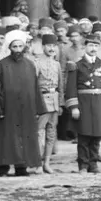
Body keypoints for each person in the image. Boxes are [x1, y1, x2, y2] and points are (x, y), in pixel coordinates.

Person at [0, 30, 43, 176]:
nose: (18, 50)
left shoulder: (30, 65)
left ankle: (21, 167)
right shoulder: (2, 65)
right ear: (10, 48)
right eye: (15, 47)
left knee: (24, 137)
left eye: (20, 46)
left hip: (26, 109)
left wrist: (37, 108)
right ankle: (3, 168)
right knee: (6, 138)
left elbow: (35, 87)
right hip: (8, 108)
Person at [65, 37, 101, 174]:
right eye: (91, 45)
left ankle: (93, 164)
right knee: (84, 136)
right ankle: (83, 165)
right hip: (83, 104)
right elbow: (71, 87)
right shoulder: (76, 65)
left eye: (96, 46)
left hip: (99, 104)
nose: (93, 48)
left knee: (97, 136)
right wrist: (74, 107)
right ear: (85, 46)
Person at [33, 34, 65, 173]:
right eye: (49, 46)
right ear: (43, 47)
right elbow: (33, 85)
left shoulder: (57, 64)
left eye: (54, 46)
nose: (52, 48)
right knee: (40, 132)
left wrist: (61, 104)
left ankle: (47, 163)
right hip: (42, 100)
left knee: (51, 133)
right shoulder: (37, 63)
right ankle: (38, 163)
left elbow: (61, 86)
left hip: (54, 100)